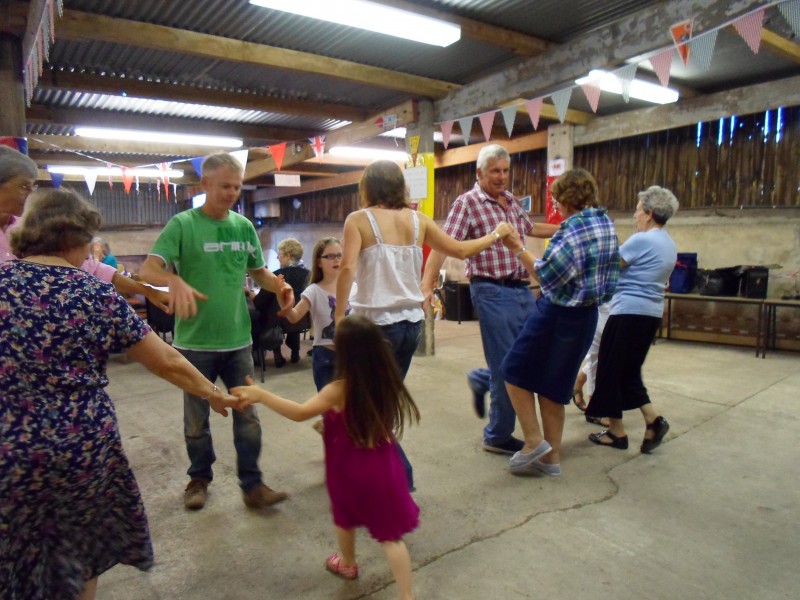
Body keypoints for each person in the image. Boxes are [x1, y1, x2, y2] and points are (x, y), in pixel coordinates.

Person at [0, 188, 239, 600]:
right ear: (78, 239)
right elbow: (164, 360)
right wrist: (212, 393)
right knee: (79, 556)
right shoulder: (95, 294)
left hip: (9, 455)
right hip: (82, 450)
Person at [335, 159, 515, 489]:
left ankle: (400, 479)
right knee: (383, 405)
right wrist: (495, 234)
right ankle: (378, 474)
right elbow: (460, 250)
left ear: (367, 187)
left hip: (374, 328)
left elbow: (346, 269)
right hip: (410, 326)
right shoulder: (419, 220)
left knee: (369, 408)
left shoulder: (358, 220)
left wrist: (337, 318)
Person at [139, 152, 294, 511]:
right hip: (193, 344)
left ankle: (252, 486)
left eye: (237, 186)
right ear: (205, 184)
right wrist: (172, 279)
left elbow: (259, 272)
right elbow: (148, 271)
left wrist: (280, 288)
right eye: (225, 185)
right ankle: (198, 479)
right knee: (196, 419)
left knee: (249, 417)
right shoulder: (182, 224)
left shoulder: (243, 226)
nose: (231, 193)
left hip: (238, 340)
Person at [231, 316, 420, 600]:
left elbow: (299, 412)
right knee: (391, 537)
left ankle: (348, 563)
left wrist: (261, 395)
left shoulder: (339, 388)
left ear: (346, 353)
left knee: (344, 516)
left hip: (350, 469)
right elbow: (361, 417)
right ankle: (407, 596)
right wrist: (331, 421)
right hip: (385, 467)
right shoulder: (385, 380)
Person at [421, 144, 558, 455]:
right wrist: (427, 284)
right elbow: (444, 245)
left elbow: (531, 227)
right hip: (491, 291)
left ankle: (481, 379)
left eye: (506, 170)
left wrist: (567, 225)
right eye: (495, 171)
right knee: (508, 366)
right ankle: (497, 436)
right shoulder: (466, 203)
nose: (502, 177)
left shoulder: (510, 201)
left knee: (527, 357)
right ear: (479, 173)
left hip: (522, 289)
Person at [500, 168, 619, 477]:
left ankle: (533, 441)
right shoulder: (605, 222)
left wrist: (516, 247)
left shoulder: (571, 232)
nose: (555, 206)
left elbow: (546, 276)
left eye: (555, 200)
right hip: (587, 314)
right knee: (554, 387)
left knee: (512, 371)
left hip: (558, 313)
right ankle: (550, 460)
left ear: (564, 200)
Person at [0, 145, 170, 311]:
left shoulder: (26, 228)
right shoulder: (29, 230)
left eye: (33, 187)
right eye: (23, 187)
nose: (30, 194)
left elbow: (93, 268)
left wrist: (148, 291)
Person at [585, 186, 678, 454]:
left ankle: (616, 432)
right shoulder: (668, 243)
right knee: (628, 371)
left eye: (637, 211)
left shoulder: (642, 240)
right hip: (649, 314)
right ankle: (653, 420)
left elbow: (610, 268)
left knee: (609, 370)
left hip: (627, 312)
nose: (635, 216)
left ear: (649, 213)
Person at [279, 237, 349, 391]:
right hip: (325, 356)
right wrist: (282, 297)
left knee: (350, 406)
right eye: (329, 256)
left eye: (339, 255)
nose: (336, 260)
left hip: (351, 356)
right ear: (319, 262)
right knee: (328, 409)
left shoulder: (354, 288)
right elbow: (294, 317)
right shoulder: (314, 290)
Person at [250, 237, 310, 366]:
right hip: (302, 321)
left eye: (280, 254)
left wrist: (250, 294)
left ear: (288, 255)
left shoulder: (278, 276)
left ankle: (270, 356)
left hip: (278, 321)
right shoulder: (310, 275)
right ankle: (295, 351)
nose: (277, 257)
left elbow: (260, 302)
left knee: (255, 315)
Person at [572, 303, 611, 427]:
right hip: (602, 309)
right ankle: (594, 410)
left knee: (614, 359)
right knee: (597, 360)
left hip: (620, 307)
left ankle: (579, 381)